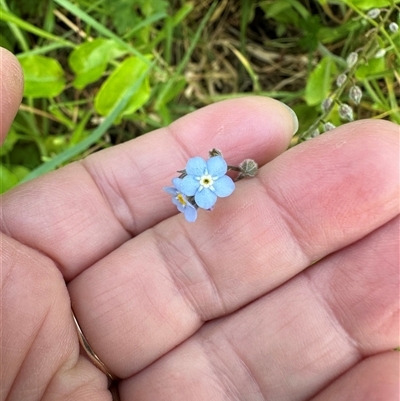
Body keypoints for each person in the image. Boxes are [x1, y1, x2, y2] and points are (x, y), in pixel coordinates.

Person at [1, 46, 399, 401]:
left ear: (208, 177)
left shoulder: (209, 181)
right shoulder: (202, 183)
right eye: (204, 180)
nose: (205, 181)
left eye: (207, 180)